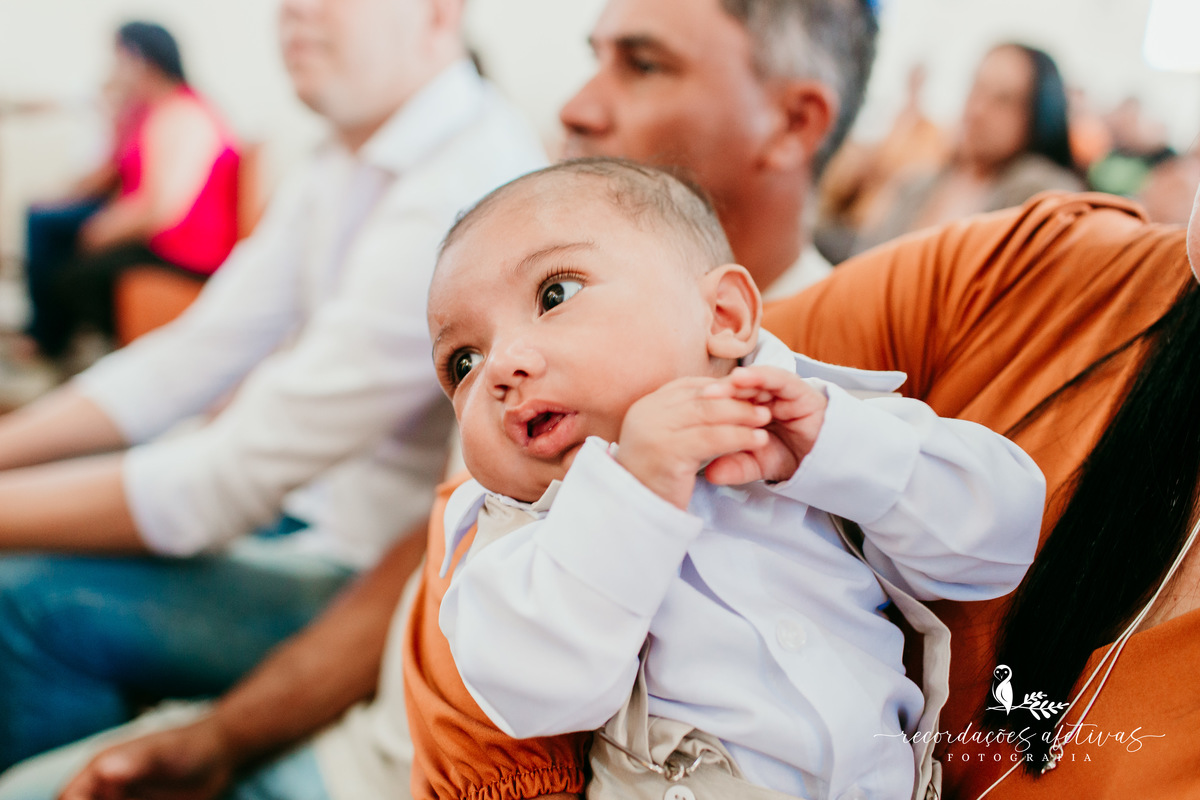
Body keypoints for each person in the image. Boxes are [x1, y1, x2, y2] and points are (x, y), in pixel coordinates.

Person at [15, 0, 880, 797]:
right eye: (459, 362)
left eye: (642, 64)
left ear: (794, 121)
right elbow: (427, 553)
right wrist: (224, 737)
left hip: (387, 757)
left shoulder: (818, 392)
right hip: (360, 716)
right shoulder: (526, 290)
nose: (576, 106)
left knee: (28, 611)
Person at [0, 0, 544, 773]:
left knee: (22, 601)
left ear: (437, 14)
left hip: (361, 584)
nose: (294, 10)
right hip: (296, 514)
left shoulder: (471, 186)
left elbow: (225, 482)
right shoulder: (344, 157)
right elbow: (188, 357)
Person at [431, 159, 1044, 799]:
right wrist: (632, 490)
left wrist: (840, 451)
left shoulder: (816, 423)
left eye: (554, 295)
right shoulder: (521, 540)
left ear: (722, 317)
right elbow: (534, 690)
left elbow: (998, 543)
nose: (499, 368)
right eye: (462, 362)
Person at [24, 21, 241, 358]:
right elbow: (113, 174)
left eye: (119, 58)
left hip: (187, 251)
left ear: (141, 60)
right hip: (161, 237)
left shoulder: (183, 114)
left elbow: (163, 208)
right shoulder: (150, 111)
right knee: (57, 238)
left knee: (70, 277)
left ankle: (96, 350)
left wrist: (106, 229)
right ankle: (57, 343)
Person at [855, 43, 1083, 254]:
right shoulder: (915, 185)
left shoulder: (1041, 193)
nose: (978, 109)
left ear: (1036, 115)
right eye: (977, 88)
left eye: (1003, 100)